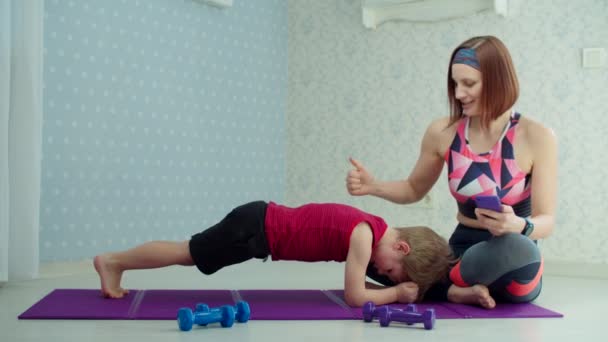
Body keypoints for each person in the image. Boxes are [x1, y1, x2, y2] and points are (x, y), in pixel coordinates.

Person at [347, 36, 557, 309]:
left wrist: (518, 225)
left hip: (510, 259)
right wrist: (373, 186)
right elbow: (413, 189)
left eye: (468, 84)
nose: (458, 94)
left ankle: (449, 284)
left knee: (520, 249)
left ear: (497, 81)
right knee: (378, 252)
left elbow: (547, 221)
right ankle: (457, 286)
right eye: (455, 84)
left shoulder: (537, 136)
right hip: (459, 249)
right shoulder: (442, 132)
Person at [94, 200, 454, 306]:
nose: (384, 274)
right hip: (252, 227)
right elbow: (356, 296)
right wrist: (395, 293)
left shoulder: (375, 231)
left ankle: (116, 262)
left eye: (389, 277)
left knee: (188, 253)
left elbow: (372, 280)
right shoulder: (363, 237)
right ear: (401, 247)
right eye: (392, 271)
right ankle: (114, 262)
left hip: (257, 228)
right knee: (187, 252)